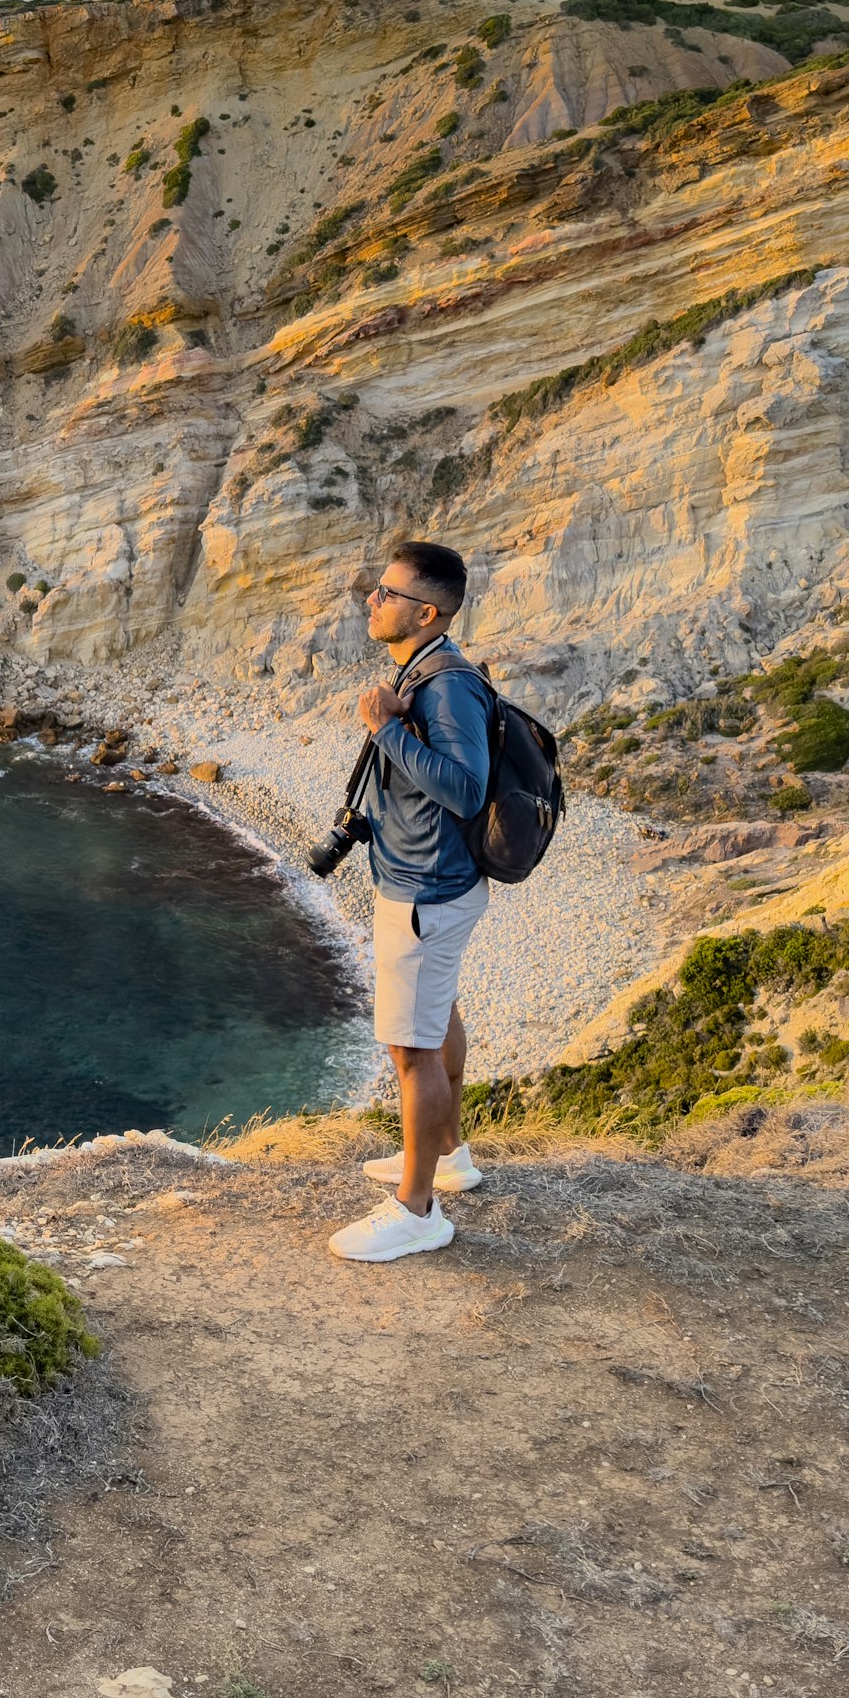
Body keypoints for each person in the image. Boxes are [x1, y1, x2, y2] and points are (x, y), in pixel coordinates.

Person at [328, 539, 492, 1264]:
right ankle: (448, 1156)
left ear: (425, 612)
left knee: (411, 1048)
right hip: (433, 883)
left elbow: (464, 788)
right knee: (438, 1015)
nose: (373, 600)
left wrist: (387, 729)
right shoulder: (425, 668)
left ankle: (417, 1207)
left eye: (387, 593)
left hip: (426, 889)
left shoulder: (445, 684)